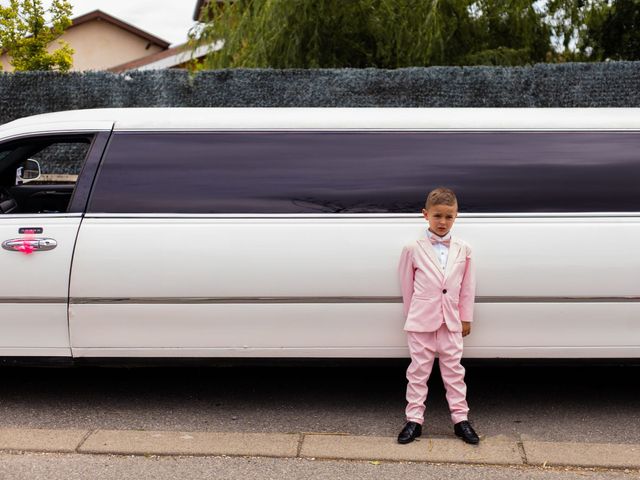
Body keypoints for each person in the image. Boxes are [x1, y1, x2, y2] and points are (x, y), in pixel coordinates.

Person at [397, 187, 479, 445]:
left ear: (456, 216)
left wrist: (465, 317)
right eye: (438, 216)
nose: (443, 222)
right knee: (418, 372)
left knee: (454, 372)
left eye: (448, 217)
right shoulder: (412, 248)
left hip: (451, 321)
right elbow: (406, 288)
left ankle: (460, 420)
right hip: (421, 321)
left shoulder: (464, 249)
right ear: (426, 215)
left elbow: (467, 287)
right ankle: (414, 420)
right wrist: (412, 318)